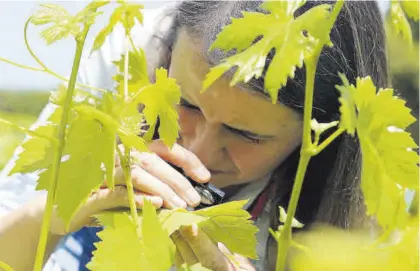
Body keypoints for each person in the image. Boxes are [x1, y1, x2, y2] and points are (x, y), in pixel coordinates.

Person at [0, 1, 389, 270]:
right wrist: (52, 215)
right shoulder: (118, 64)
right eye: (187, 103)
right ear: (168, 53)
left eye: (245, 134)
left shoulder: (362, 204)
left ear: (324, 136)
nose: (198, 152)